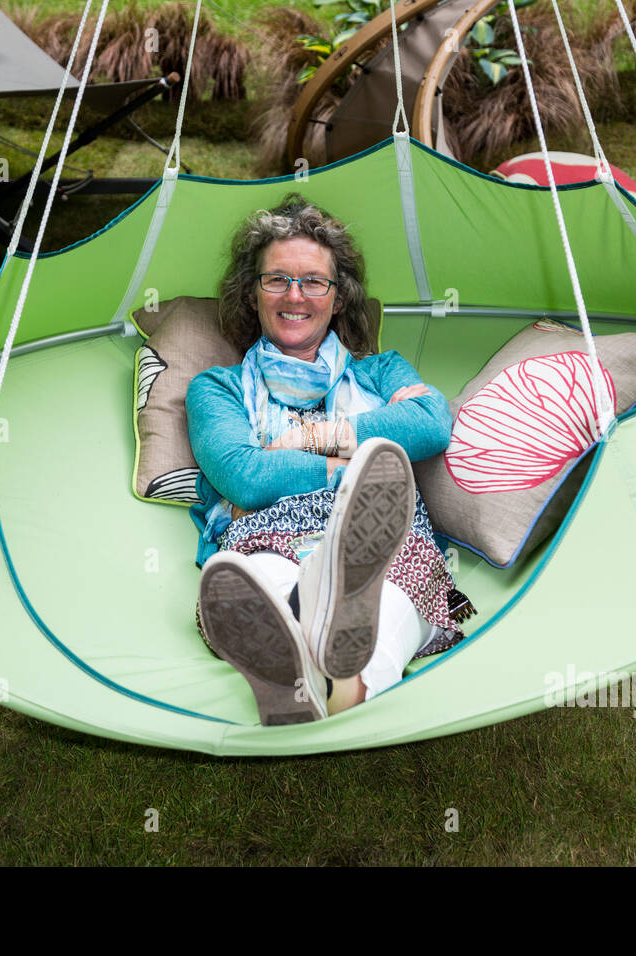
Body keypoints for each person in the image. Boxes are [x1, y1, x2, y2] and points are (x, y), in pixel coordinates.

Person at [187, 193, 468, 725]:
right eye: (277, 279)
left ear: (339, 299)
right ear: (253, 294)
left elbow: (430, 423)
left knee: (389, 590)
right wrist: (349, 461)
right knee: (261, 579)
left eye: (314, 281)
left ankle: (328, 677)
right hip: (270, 532)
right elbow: (245, 478)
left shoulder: (380, 371)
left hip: (381, 530)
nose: (296, 296)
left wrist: (307, 439)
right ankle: (325, 656)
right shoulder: (216, 389)